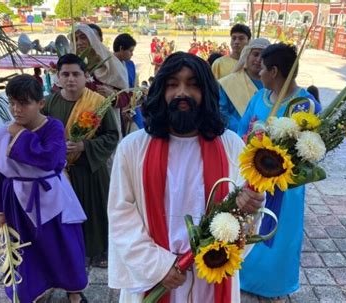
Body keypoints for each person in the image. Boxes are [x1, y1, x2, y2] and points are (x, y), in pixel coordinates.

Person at [108, 52, 265, 303]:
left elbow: (245, 211)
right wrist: (159, 266)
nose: (182, 93)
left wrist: (253, 203)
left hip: (211, 275)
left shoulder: (231, 146)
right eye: (172, 84)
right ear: (161, 91)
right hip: (154, 275)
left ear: (207, 93)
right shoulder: (133, 148)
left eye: (193, 84)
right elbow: (120, 213)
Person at [0, 75, 88, 303]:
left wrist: (19, 135)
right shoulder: (6, 133)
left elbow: (52, 159)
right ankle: (32, 289)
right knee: (26, 248)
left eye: (24, 103)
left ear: (40, 103)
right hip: (17, 202)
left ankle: (73, 289)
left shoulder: (53, 127)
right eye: (12, 103)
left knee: (62, 244)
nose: (16, 110)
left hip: (52, 198)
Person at [238, 43, 321, 302]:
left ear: (274, 71)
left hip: (285, 187)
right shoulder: (258, 98)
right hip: (253, 179)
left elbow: (309, 150)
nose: (258, 72)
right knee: (249, 230)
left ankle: (274, 285)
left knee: (279, 233)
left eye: (262, 68)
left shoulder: (303, 105)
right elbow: (243, 130)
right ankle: (245, 278)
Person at [43, 54, 119, 268]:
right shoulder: (50, 103)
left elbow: (112, 135)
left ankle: (99, 252)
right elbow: (41, 133)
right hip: (61, 172)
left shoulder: (97, 102)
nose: (71, 79)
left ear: (86, 76)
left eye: (76, 74)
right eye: (65, 74)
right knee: (65, 216)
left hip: (91, 170)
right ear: (57, 77)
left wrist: (85, 146)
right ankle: (72, 252)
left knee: (95, 212)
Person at [219, 38, 270, 133]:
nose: (259, 59)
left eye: (263, 56)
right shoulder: (229, 82)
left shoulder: (272, 85)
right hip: (234, 136)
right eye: (255, 54)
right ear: (247, 55)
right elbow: (221, 112)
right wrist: (243, 129)